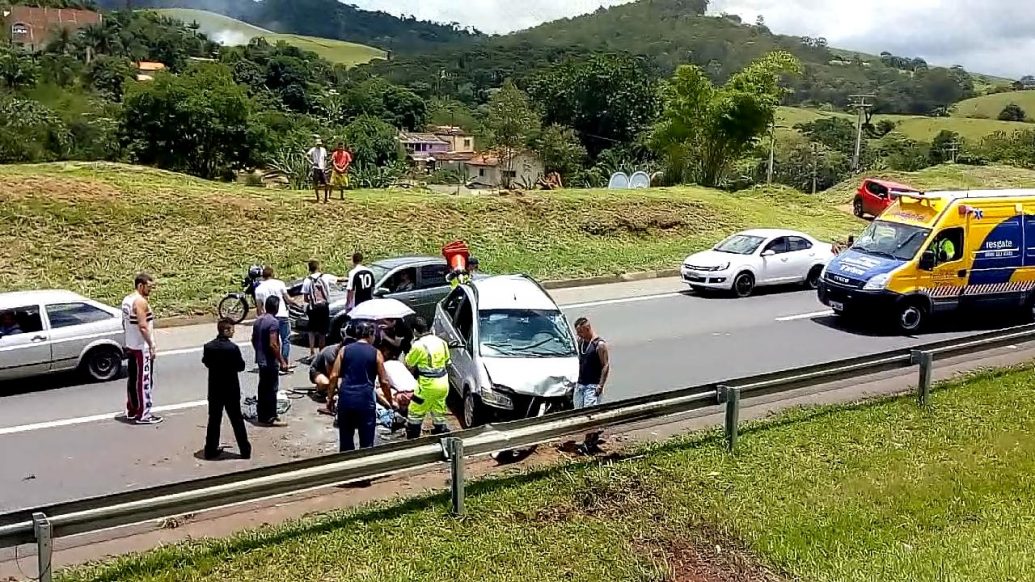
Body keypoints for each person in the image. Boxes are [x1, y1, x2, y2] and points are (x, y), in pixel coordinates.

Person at [328, 321, 394, 451]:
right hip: (365, 401)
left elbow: (334, 376)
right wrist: (389, 401)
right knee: (366, 443)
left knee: (346, 441)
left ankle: (347, 468)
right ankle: (364, 469)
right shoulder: (376, 353)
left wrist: (329, 398)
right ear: (370, 335)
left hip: (346, 400)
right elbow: (384, 381)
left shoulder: (344, 350)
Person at [202, 319, 251, 460]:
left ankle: (210, 449)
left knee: (214, 420)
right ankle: (245, 450)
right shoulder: (232, 348)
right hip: (231, 389)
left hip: (214, 388)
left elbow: (206, 362)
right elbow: (240, 367)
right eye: (231, 329)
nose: (233, 331)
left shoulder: (208, 347)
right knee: (237, 420)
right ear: (226, 330)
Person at [122, 272, 161, 425]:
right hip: (141, 347)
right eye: (148, 287)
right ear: (140, 285)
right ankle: (144, 413)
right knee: (144, 380)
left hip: (132, 344)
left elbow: (124, 323)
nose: (150, 290)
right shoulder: (140, 302)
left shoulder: (127, 300)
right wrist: (151, 345)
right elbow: (143, 326)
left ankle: (132, 409)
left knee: (132, 379)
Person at [404, 317, 451, 439]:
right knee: (438, 412)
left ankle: (413, 440)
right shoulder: (441, 342)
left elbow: (408, 364)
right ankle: (441, 436)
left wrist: (412, 346)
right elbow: (447, 362)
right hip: (443, 385)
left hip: (425, 388)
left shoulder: (418, 346)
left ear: (414, 330)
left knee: (414, 413)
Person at [573, 317, 610, 455]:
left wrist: (600, 385)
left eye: (580, 332)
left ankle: (589, 443)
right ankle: (593, 434)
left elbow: (605, 365)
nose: (579, 335)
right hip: (580, 384)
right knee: (579, 413)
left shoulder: (599, 345)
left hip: (592, 386)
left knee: (589, 415)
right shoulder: (581, 342)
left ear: (587, 329)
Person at [252, 295, 291, 426]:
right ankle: (270, 417)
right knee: (271, 389)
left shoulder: (258, 320)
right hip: (269, 361)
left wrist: (259, 351)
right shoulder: (273, 322)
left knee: (262, 388)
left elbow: (253, 339)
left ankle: (262, 415)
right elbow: (273, 344)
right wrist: (282, 361)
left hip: (261, 359)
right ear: (276, 307)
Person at [254, 266, 298, 370]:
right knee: (285, 339)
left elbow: (259, 308)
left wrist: (261, 319)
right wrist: (297, 304)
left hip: (268, 317)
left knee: (273, 341)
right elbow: (288, 299)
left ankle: (276, 362)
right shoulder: (279, 283)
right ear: (272, 274)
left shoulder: (259, 289)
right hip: (282, 314)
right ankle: (285, 362)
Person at [301, 260, 334, 364]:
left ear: (309, 268)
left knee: (311, 330)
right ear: (318, 267)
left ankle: (311, 352)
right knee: (322, 331)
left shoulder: (307, 280)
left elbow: (305, 298)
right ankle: (322, 352)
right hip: (324, 307)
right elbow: (337, 280)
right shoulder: (325, 277)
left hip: (313, 308)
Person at [309, 338, 344, 411]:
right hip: (317, 371)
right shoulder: (331, 354)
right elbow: (332, 376)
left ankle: (329, 390)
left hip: (331, 372)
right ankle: (320, 389)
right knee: (326, 383)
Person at [306, 137, 330, 202]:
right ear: (315, 144)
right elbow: (306, 156)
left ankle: (326, 198)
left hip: (322, 168)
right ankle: (318, 198)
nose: (318, 145)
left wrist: (325, 166)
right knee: (316, 184)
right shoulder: (312, 150)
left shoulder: (323, 150)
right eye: (317, 144)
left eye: (319, 144)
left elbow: (325, 159)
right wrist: (312, 163)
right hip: (316, 168)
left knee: (326, 183)